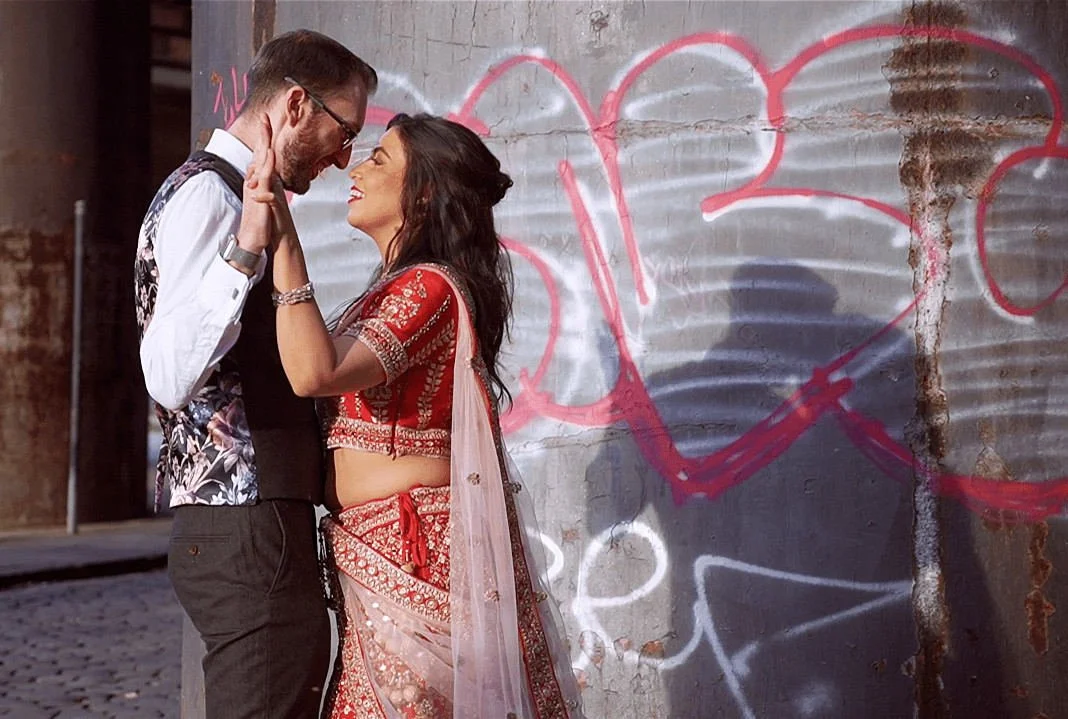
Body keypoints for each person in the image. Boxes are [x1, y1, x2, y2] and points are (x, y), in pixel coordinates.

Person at [241, 112, 585, 718]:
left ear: (422, 193)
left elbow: (314, 373)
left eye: (380, 159)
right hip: (376, 550)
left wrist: (285, 239)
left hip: (415, 549)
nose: (358, 168)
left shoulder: (430, 287)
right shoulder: (391, 288)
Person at [134, 30, 377, 718]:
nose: (343, 156)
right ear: (297, 104)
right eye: (343, 130)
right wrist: (245, 248)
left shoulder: (238, 196)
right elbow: (167, 372)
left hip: (255, 520)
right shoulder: (211, 199)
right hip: (242, 521)